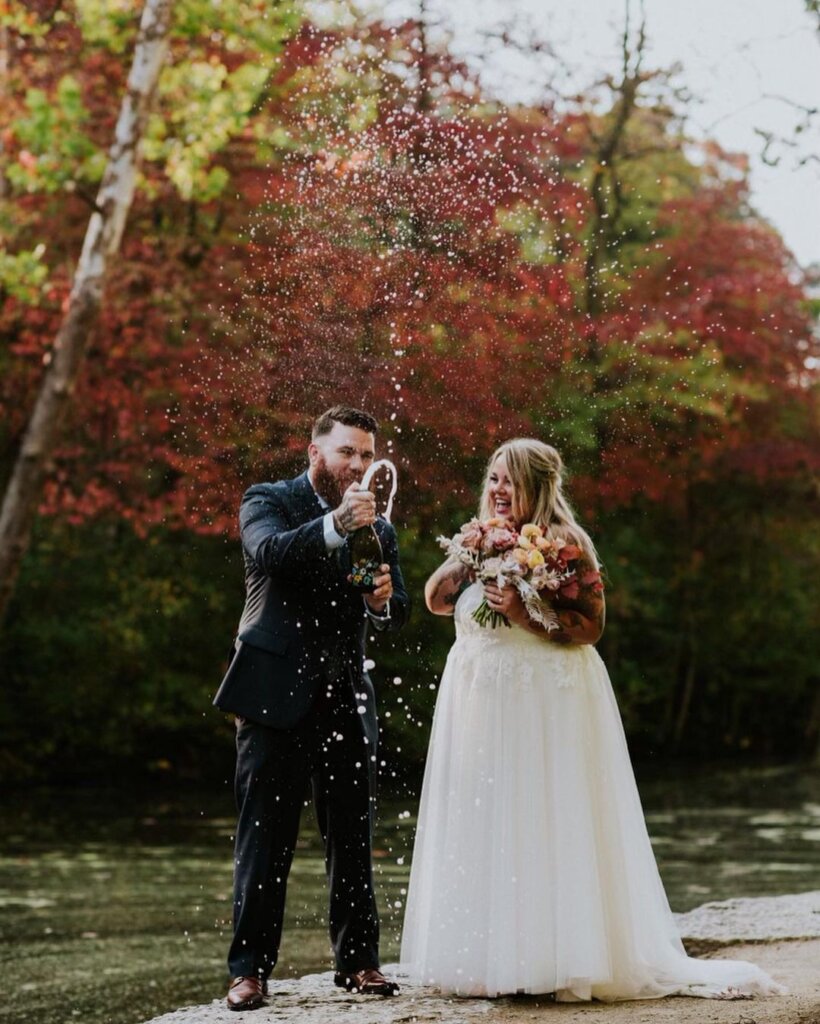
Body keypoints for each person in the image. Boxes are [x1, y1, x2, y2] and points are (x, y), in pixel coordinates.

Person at [400, 438, 784, 1002]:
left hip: (542, 708)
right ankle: (490, 958)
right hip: (482, 706)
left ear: (536, 485)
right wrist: (469, 551)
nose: (498, 491)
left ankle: (555, 959)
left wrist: (527, 616)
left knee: (542, 817)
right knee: (490, 818)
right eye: (493, 480)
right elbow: (435, 600)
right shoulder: (477, 538)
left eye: (509, 481)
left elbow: (592, 626)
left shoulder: (568, 543)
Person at [213, 405, 409, 1011]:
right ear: (315, 454)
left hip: (347, 694)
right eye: (347, 451)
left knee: (352, 833)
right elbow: (270, 554)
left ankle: (359, 964)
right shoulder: (266, 499)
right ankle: (249, 972)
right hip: (271, 696)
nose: (358, 464)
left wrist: (381, 598)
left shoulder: (378, 525)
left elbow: (397, 604)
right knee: (264, 838)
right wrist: (334, 524)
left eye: (366, 454)